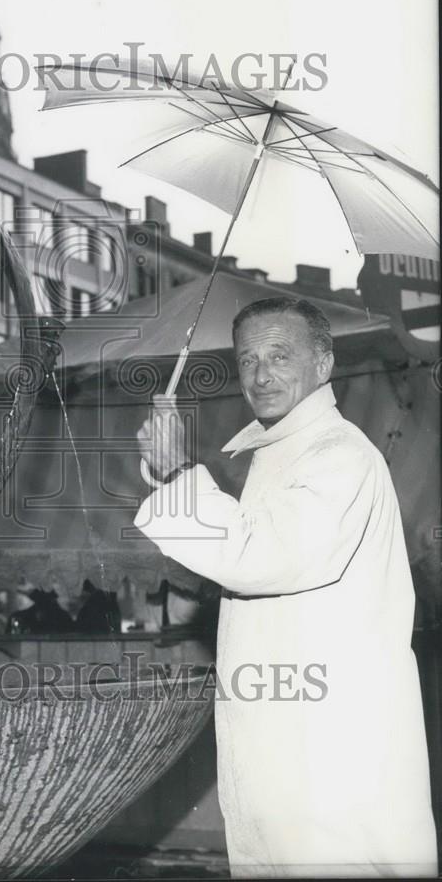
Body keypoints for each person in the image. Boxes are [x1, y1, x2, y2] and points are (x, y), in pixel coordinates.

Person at [135, 296, 437, 878]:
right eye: (248, 360)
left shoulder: (339, 456)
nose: (261, 373)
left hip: (329, 744)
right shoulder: (280, 453)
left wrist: (177, 474)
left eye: (280, 355)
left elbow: (261, 555)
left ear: (323, 366)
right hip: (291, 732)